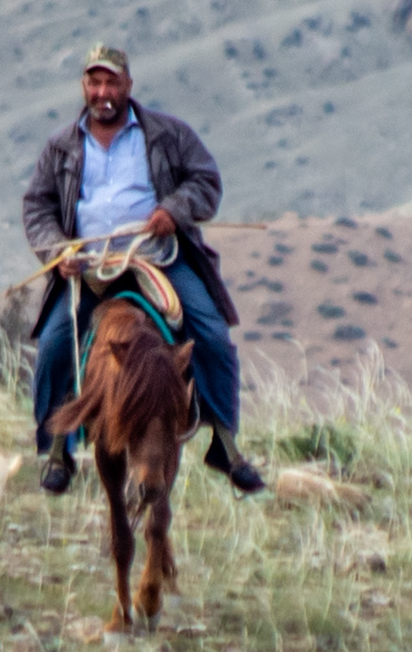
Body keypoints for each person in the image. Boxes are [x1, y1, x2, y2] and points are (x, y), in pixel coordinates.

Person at [19, 44, 265, 498]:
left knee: (209, 332)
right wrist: (58, 249)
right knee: (55, 342)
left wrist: (174, 209)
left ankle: (224, 442)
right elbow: (38, 205)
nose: (103, 92)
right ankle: (56, 449)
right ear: (84, 88)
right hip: (90, 265)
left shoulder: (167, 134)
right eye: (95, 83)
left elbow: (205, 180)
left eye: (112, 82)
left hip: (156, 257)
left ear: (128, 86)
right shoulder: (61, 146)